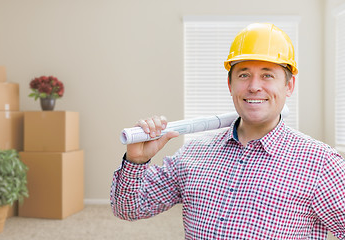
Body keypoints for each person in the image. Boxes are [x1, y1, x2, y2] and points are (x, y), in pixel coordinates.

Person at [110, 23, 345, 239]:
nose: (254, 86)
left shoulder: (321, 164)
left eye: (267, 75)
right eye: (244, 75)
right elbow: (129, 210)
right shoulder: (193, 154)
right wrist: (136, 160)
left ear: (289, 85)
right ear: (230, 84)